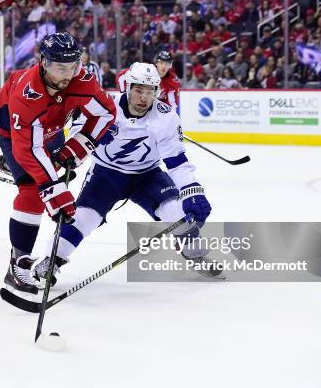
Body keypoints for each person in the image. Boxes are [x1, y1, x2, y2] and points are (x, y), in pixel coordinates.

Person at [31, 63, 212, 285]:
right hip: (106, 175)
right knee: (85, 218)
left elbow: (177, 163)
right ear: (127, 87)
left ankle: (195, 253)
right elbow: (76, 137)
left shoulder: (165, 117)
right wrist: (91, 136)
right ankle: (52, 260)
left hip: (148, 175)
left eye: (149, 91)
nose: (144, 98)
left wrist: (192, 191)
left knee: (176, 210)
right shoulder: (104, 107)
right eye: (138, 90)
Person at [0, 32, 116, 294]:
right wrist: (52, 190)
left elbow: (106, 113)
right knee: (33, 192)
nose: (68, 74)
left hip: (53, 126)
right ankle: (18, 266)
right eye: (60, 67)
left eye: (73, 65)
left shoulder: (81, 79)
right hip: (14, 133)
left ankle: (13, 167)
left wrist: (78, 147)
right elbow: (29, 148)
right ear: (44, 63)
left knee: (50, 172)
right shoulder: (27, 93)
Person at [116, 51, 181, 115]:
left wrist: (170, 119)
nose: (164, 66)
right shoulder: (147, 70)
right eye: (161, 63)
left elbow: (173, 105)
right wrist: (125, 94)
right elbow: (122, 76)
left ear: (170, 65)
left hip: (153, 113)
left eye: (167, 64)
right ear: (156, 63)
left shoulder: (173, 81)